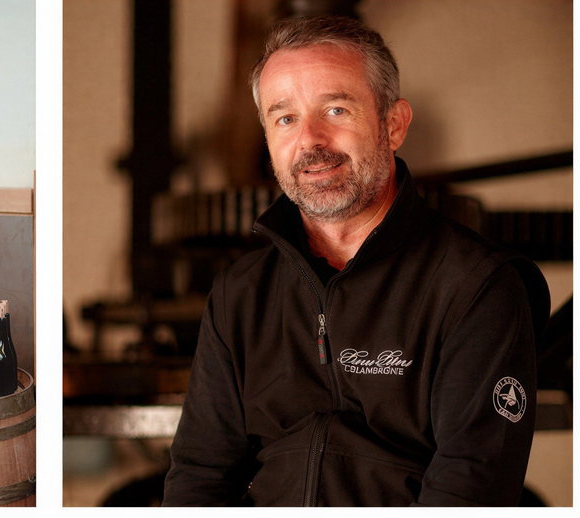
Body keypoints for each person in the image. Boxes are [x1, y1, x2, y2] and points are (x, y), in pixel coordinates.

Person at [164, 16, 547, 506]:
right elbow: (200, 475)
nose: (310, 140)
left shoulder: (476, 287)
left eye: (337, 110)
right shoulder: (240, 292)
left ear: (393, 124)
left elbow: (471, 488)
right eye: (285, 118)